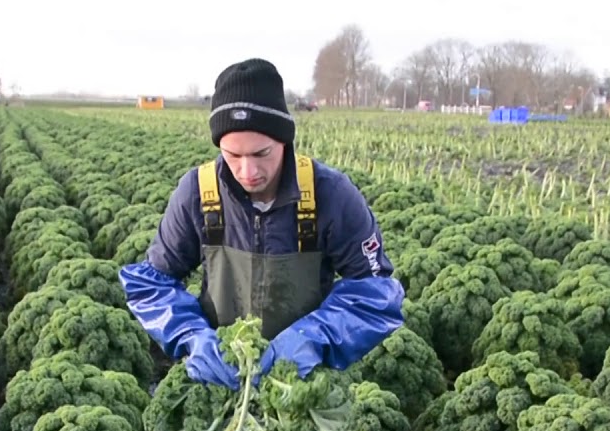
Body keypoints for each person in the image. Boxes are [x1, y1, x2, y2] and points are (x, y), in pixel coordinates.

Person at [118, 58, 404, 389]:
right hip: (218, 379)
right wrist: (193, 336)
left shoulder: (330, 194)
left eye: (261, 153)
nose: (247, 171)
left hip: (303, 387)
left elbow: (375, 291)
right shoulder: (198, 191)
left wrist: (313, 338)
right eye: (233, 155)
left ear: (284, 140)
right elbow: (153, 284)